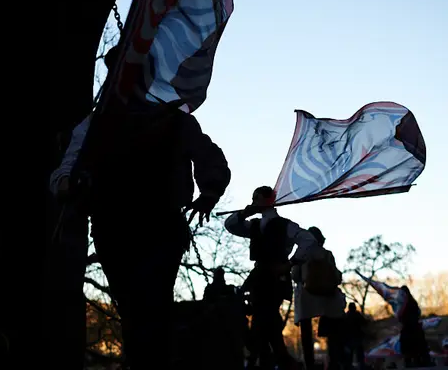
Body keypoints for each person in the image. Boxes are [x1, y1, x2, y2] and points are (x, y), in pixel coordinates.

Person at [50, 50, 231, 368]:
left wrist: (211, 190)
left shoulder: (174, 119)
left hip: (159, 227)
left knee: (151, 307)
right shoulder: (97, 123)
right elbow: (66, 169)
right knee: (135, 309)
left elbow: (208, 156)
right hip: (114, 228)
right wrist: (67, 184)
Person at [224, 186, 319, 370]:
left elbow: (309, 240)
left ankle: (266, 360)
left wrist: (291, 263)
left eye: (256, 198)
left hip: (275, 278)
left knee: (263, 323)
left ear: (266, 199)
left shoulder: (285, 225)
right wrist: (244, 213)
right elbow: (230, 225)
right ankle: (280, 361)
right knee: (268, 325)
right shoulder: (255, 225)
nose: (253, 201)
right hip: (260, 278)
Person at [291, 226, 346, 370]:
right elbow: (336, 275)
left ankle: (309, 363)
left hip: (306, 295)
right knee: (331, 331)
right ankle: (333, 361)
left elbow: (295, 275)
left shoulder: (302, 254)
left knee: (306, 331)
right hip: (327, 295)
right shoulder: (327, 254)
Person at [398, 286, 430, 367]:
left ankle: (416, 361)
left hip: (412, 328)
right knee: (411, 346)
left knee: (413, 345)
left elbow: (402, 315)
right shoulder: (407, 302)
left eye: (402, 293)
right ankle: (412, 362)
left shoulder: (409, 302)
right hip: (411, 327)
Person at [342, 303, 367, 370]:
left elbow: (343, 328)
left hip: (349, 338)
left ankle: (349, 366)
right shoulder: (357, 314)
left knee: (349, 354)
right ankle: (361, 366)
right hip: (357, 336)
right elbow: (364, 322)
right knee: (360, 354)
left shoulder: (346, 315)